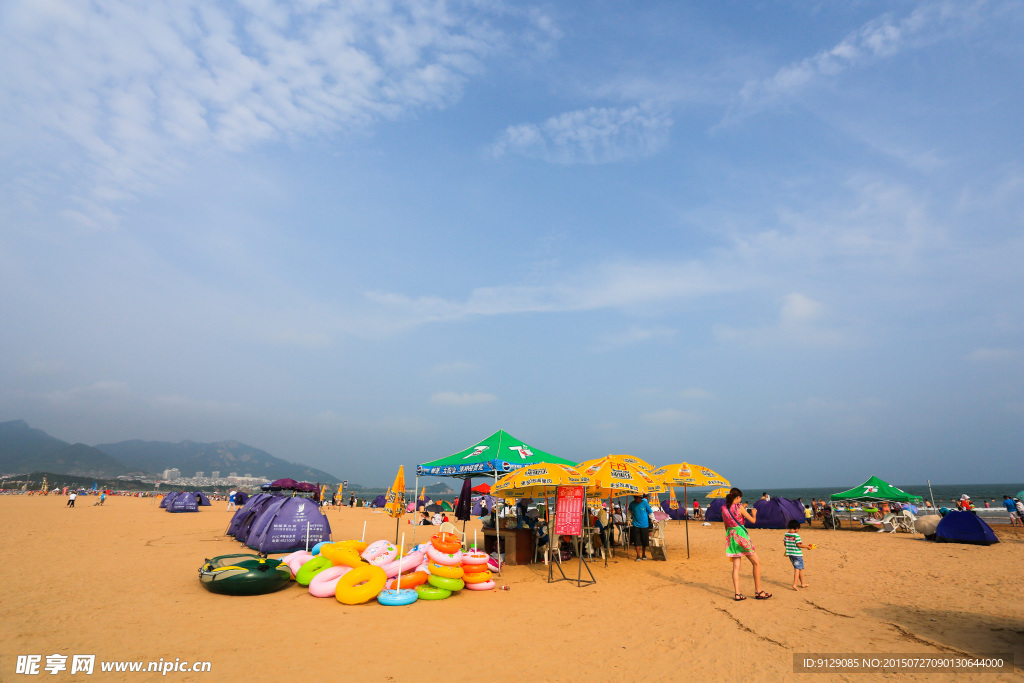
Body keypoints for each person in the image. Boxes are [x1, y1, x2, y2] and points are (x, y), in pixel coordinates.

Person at [722, 488, 770, 601]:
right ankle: (759, 591)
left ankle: (737, 594)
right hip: (741, 536)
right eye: (740, 497)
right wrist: (754, 513)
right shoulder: (739, 507)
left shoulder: (723, 508)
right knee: (756, 563)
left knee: (736, 567)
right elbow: (753, 521)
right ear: (737, 497)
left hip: (731, 536)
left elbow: (726, 526)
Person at [784, 520, 811, 590]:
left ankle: (803, 583)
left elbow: (785, 544)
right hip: (797, 555)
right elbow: (799, 545)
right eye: (798, 528)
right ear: (796, 528)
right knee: (797, 569)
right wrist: (807, 547)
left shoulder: (786, 534)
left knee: (799, 569)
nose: (798, 530)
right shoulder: (796, 535)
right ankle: (795, 584)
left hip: (790, 554)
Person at [627, 494, 653, 561]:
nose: (635, 498)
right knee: (636, 540)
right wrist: (628, 519)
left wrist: (653, 520)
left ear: (640, 498)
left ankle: (643, 554)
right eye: (634, 497)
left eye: (636, 497)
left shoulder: (645, 503)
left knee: (644, 541)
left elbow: (650, 512)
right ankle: (638, 555)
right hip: (636, 525)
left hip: (644, 525)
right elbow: (629, 511)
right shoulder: (632, 504)